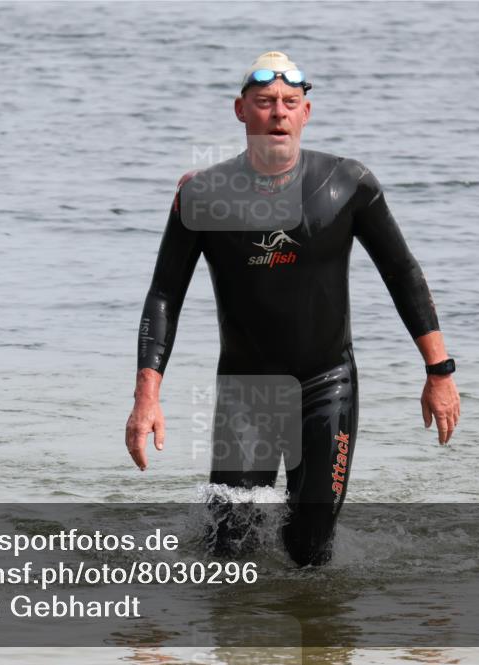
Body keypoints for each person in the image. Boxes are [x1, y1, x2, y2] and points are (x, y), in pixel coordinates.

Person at [124, 51, 460, 566]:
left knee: (309, 548)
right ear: (241, 111)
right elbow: (165, 293)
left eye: (289, 102)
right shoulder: (202, 195)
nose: (277, 112)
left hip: (327, 384)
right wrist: (147, 397)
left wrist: (439, 371)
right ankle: (238, 638)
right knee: (226, 550)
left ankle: (313, 641)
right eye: (264, 102)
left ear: (307, 112)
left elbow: (404, 273)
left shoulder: (348, 184)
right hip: (246, 391)